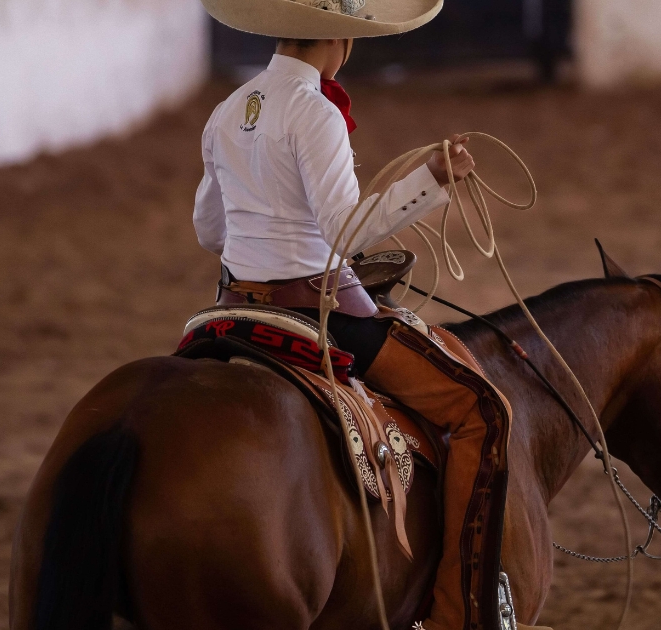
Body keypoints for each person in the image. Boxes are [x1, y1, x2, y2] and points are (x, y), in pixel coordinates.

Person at [193, 2, 547, 629]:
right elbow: (347, 232)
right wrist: (431, 177)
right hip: (318, 311)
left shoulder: (227, 110)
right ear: (341, 37)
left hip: (233, 309)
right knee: (482, 412)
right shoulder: (316, 112)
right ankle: (458, 617)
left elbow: (208, 229)